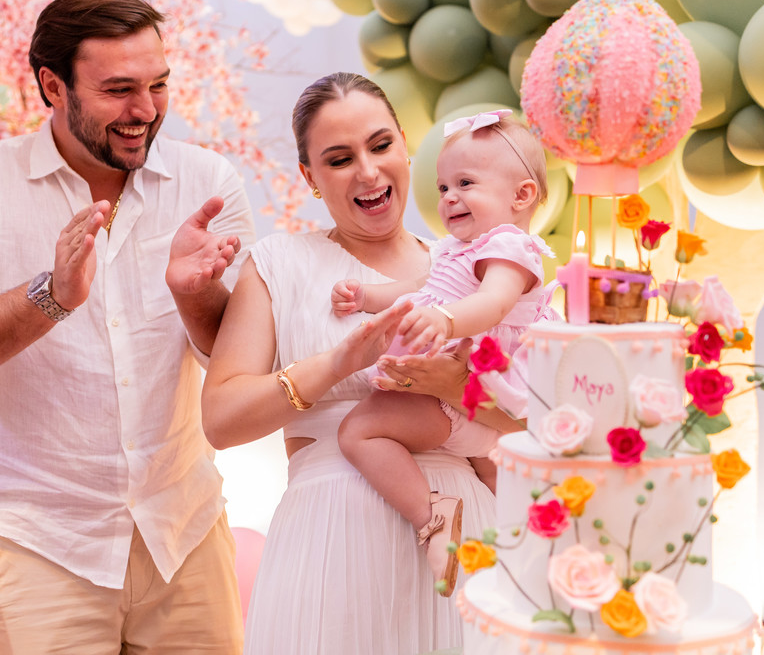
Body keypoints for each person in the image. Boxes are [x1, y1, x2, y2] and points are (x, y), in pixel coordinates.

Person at [0, 0, 255, 654]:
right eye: (119, 89)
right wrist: (48, 298)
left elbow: (239, 361)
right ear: (52, 86)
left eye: (158, 85)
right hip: (42, 549)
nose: (145, 111)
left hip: (185, 536)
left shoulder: (206, 184)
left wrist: (196, 298)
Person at [196, 72, 521, 654]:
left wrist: (458, 384)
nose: (368, 173)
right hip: (327, 540)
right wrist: (335, 361)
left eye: (380, 146)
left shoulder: (469, 264)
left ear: (403, 142)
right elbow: (221, 418)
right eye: (340, 159)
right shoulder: (278, 263)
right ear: (310, 178)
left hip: (465, 539)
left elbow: (526, 419)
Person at [331, 108, 557, 596]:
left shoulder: (511, 247)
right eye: (443, 187)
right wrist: (367, 297)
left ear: (522, 195)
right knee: (505, 495)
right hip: (471, 412)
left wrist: (447, 321)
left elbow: (494, 303)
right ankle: (529, 553)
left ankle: (432, 515)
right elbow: (416, 287)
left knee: (358, 431)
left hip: (474, 388)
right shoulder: (454, 252)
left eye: (466, 183)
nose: (450, 197)